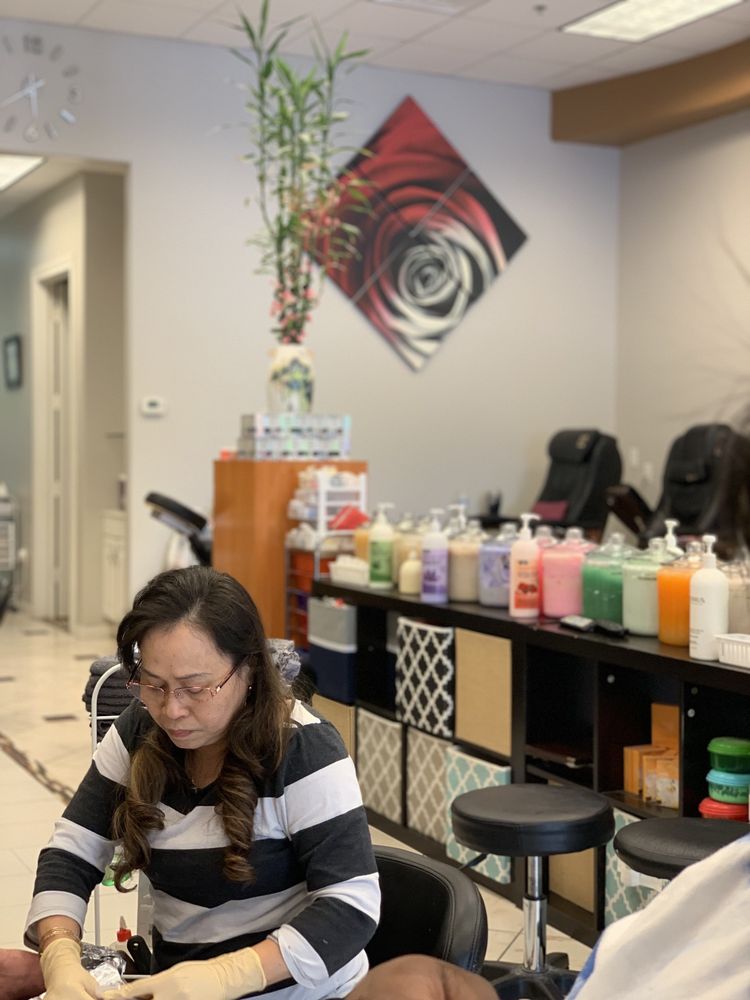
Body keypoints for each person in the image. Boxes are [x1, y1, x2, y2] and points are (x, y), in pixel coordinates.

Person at [24, 565, 380, 1000]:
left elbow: (351, 906)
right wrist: (58, 951)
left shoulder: (303, 749)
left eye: (195, 689)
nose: (171, 710)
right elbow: (72, 852)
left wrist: (233, 974)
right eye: (154, 685)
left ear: (248, 670)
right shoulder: (140, 730)